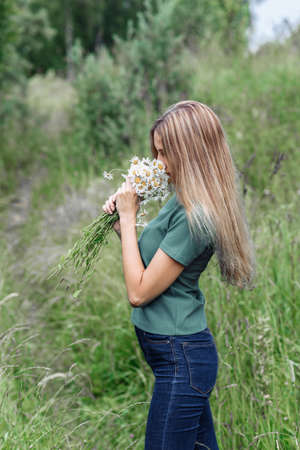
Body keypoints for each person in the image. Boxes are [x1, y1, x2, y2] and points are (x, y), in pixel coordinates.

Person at [102, 100, 256, 450]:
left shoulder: (196, 217)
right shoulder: (183, 199)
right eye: (155, 153)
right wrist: (120, 225)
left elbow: (139, 291)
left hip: (181, 360)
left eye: (164, 154)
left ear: (190, 152)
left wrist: (129, 219)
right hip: (179, 358)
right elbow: (150, 263)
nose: (159, 164)